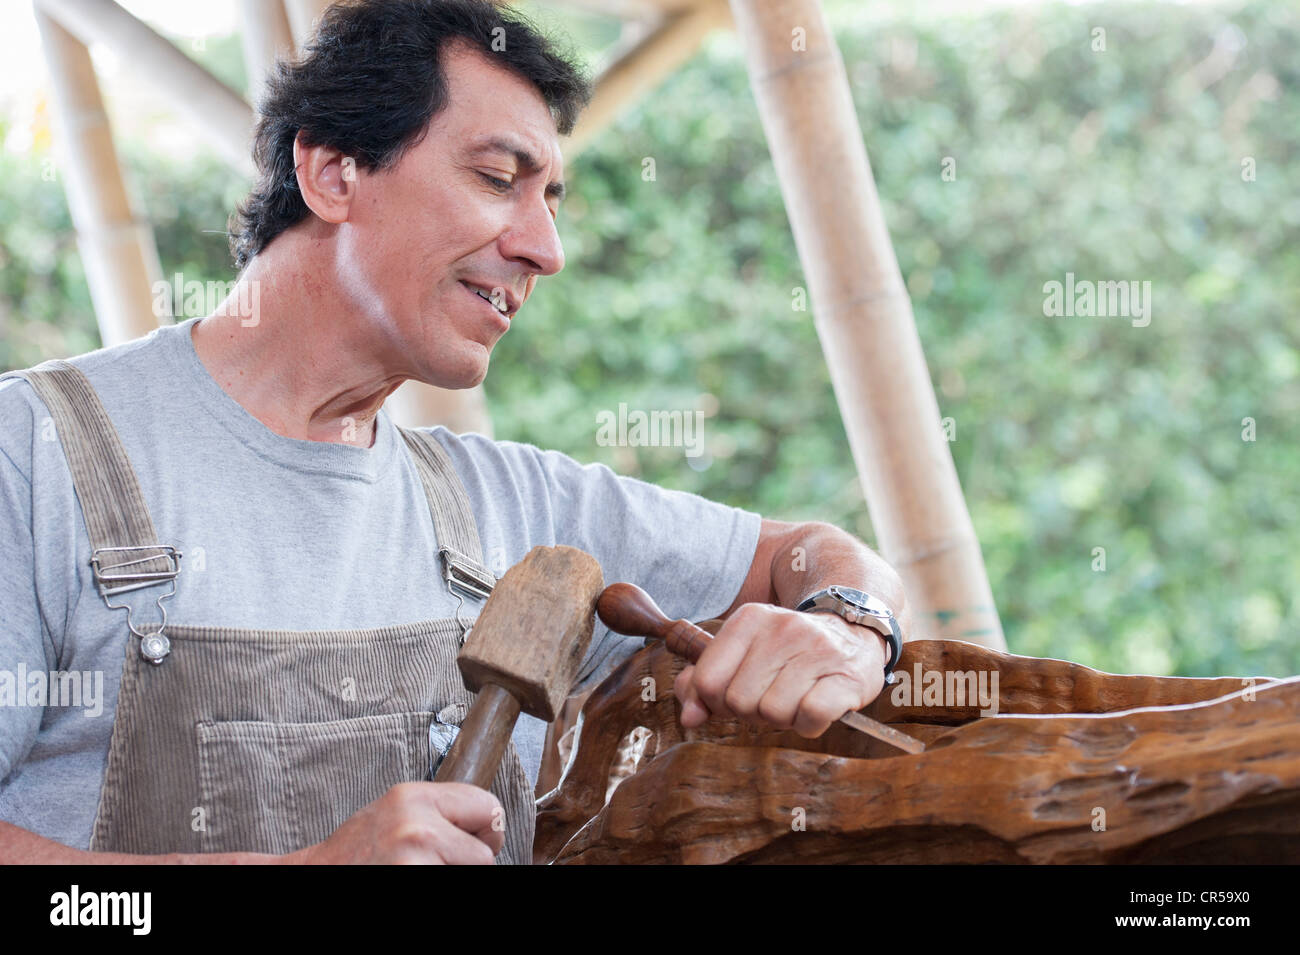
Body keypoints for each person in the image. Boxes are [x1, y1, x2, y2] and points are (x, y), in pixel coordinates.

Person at [0, 0, 907, 864]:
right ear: (331, 172)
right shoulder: (32, 457)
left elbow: (817, 554)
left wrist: (848, 627)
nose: (546, 248)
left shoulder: (517, 516)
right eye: (496, 178)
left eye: (552, 198)